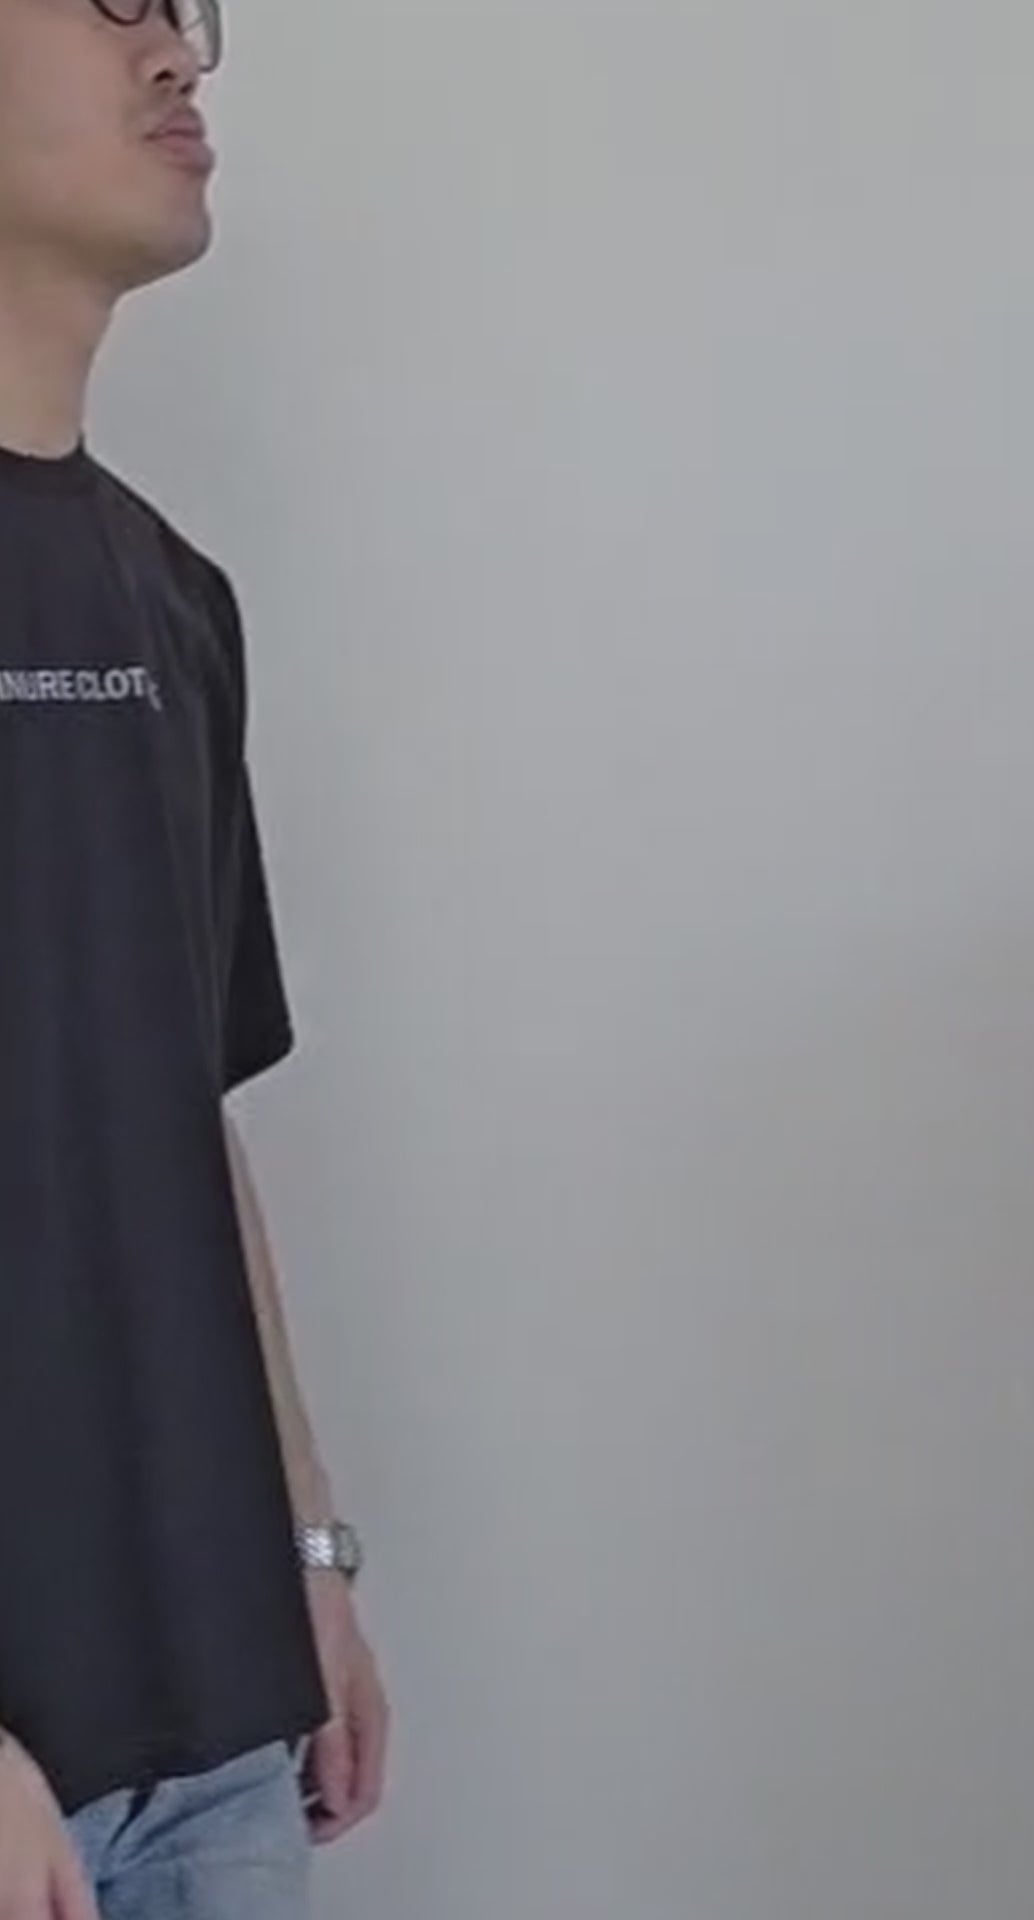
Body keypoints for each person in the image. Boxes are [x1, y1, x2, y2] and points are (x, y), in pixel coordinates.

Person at [0, 0, 390, 1914]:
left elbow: (184, 1115)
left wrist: (302, 1551)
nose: (182, 56)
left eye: (189, 8)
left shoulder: (171, 592)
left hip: (219, 1741)